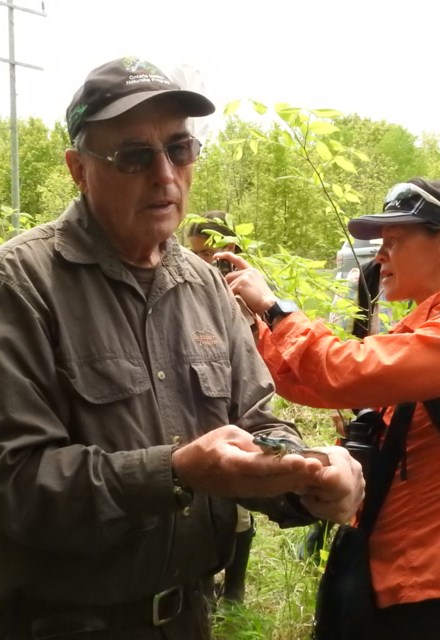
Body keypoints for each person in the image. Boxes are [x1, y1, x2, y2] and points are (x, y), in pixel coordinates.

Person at [0, 56, 365, 640]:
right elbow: (11, 483)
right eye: (133, 156)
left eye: (179, 149)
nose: (166, 176)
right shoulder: (20, 285)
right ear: (78, 168)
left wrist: (308, 475)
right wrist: (174, 472)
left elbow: (257, 424)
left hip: (189, 616)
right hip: (65, 624)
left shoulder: (203, 285)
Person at [220, 178, 440, 639]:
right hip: (394, 571)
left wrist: (276, 308)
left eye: (394, 241)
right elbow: (313, 385)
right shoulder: (426, 324)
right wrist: (255, 321)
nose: (380, 255)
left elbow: (345, 370)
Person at [186, 211, 255, 604]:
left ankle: (234, 587)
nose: (201, 260)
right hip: (200, 398)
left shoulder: (243, 285)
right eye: (195, 253)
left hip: (235, 399)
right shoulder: (191, 283)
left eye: (207, 253)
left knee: (238, 499)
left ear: (227, 247)